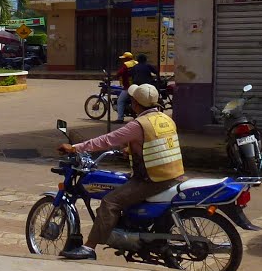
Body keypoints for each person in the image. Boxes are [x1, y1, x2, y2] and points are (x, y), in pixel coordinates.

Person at [57, 83, 185, 261]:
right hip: (173, 175)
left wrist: (75, 148)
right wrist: (131, 150)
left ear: (135, 104)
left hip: (153, 180)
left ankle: (88, 248)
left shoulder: (138, 125)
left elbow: (107, 140)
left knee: (110, 202)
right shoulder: (165, 119)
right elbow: (156, 144)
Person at [114, 51, 137, 123]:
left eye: (124, 58)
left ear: (127, 59)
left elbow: (119, 73)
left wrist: (113, 77)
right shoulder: (136, 63)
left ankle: (120, 118)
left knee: (120, 101)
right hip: (137, 86)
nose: (122, 60)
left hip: (128, 87)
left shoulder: (126, 65)